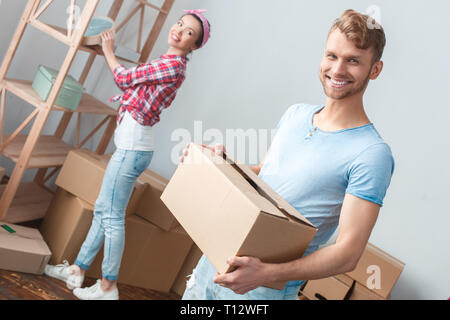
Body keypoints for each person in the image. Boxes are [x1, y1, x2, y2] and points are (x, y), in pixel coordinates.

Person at [180, 9, 394, 300]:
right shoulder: (297, 114)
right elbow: (265, 176)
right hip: (215, 263)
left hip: (261, 290)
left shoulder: (371, 153)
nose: (338, 69)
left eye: (353, 60)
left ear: (375, 70)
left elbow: (348, 253)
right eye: (332, 56)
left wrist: (265, 274)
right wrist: (220, 166)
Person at [43, 9, 211, 300]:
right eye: (180, 24)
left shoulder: (173, 66)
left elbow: (124, 78)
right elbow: (134, 86)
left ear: (194, 46)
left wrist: (108, 49)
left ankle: (109, 286)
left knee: (111, 217)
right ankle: (77, 270)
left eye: (189, 33)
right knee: (102, 212)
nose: (179, 31)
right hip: (130, 147)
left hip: (132, 150)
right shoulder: (167, 60)